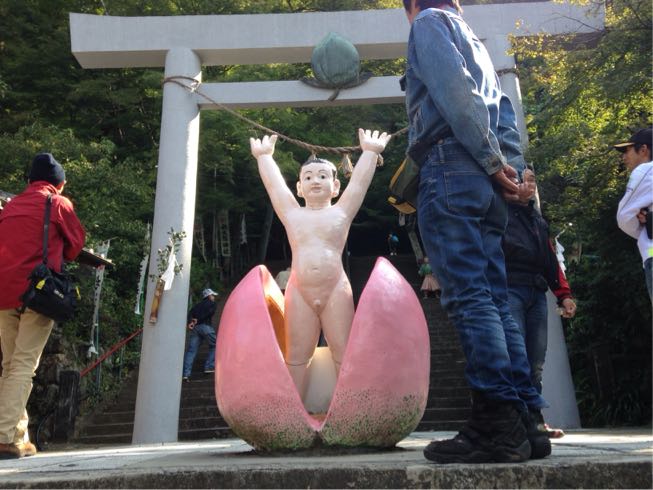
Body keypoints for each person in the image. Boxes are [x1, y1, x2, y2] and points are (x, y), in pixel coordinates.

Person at [402, 0, 549, 464]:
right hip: (486, 183)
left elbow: (454, 91)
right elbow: (502, 112)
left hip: (450, 166)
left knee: (470, 297)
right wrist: (512, 172)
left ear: (410, 7)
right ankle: (526, 419)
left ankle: (495, 424)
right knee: (493, 296)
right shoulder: (478, 45)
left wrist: (489, 161)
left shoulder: (428, 22)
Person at [250, 129, 391, 399]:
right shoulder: (292, 214)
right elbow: (276, 189)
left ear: (335, 187)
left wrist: (371, 153)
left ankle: (349, 406)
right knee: (296, 355)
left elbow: (358, 186)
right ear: (299, 188)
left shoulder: (341, 212)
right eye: (308, 177)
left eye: (323, 176)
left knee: (345, 351)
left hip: (335, 288)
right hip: (299, 290)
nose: (315, 181)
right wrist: (264, 157)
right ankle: (294, 409)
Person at [0, 153, 85, 459]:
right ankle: (3, 436)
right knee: (24, 364)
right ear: (59, 184)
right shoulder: (58, 204)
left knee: (10, 366)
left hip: (3, 293)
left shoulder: (10, 207)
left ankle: (18, 435)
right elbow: (76, 246)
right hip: (37, 293)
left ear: (29, 181)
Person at [503, 167, 577, 439]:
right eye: (521, 179)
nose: (528, 184)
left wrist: (564, 294)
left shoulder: (537, 219)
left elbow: (549, 258)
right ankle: (515, 419)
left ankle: (534, 419)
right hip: (509, 288)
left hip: (536, 291)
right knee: (516, 356)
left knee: (536, 361)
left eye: (532, 180)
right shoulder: (497, 213)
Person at [614, 127, 653, 301]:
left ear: (643, 149)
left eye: (627, 150)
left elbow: (624, 217)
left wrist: (645, 226)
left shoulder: (646, 170)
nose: (624, 157)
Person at [182, 288, 218, 381]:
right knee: (215, 345)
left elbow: (190, 313)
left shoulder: (197, 305)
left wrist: (191, 321)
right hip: (206, 327)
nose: (214, 297)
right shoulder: (212, 304)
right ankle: (209, 367)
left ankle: (186, 374)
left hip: (196, 329)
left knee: (191, 351)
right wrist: (200, 319)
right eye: (213, 295)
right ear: (209, 296)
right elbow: (209, 313)